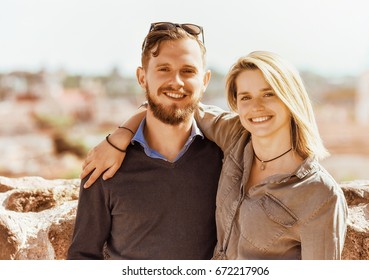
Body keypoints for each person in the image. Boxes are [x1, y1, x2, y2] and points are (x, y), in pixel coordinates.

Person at [81, 51, 348, 260]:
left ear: (292, 100)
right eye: (245, 97)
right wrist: (120, 136)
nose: (256, 107)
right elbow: (175, 102)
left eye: (269, 94)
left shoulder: (319, 195)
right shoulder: (235, 135)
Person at [67, 22, 224, 259]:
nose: (177, 82)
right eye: (164, 69)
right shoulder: (105, 165)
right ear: (142, 77)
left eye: (188, 71)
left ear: (205, 80)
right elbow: (83, 257)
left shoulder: (225, 159)